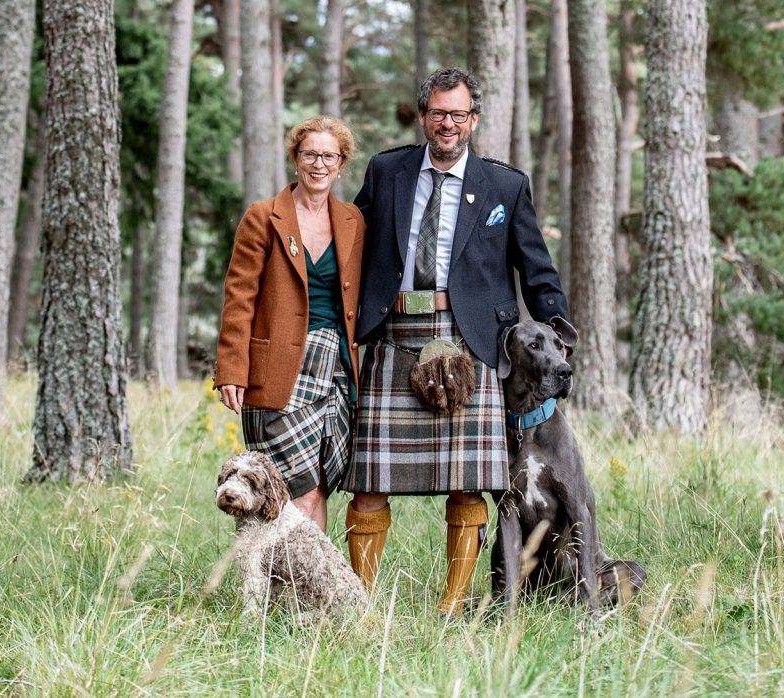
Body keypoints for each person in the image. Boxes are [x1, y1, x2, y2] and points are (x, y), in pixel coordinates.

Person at [342, 68, 570, 615]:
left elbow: (535, 270)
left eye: (459, 114)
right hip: (395, 334)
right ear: (423, 116)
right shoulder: (386, 171)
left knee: (468, 485)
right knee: (369, 483)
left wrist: (559, 338)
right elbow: (348, 239)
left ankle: (452, 604)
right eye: (439, 113)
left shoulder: (504, 186)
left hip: (471, 340)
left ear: (474, 119)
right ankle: (361, 603)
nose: (449, 124)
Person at [214, 116, 364, 532]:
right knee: (284, 486)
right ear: (296, 159)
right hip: (277, 370)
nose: (319, 164)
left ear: (341, 164)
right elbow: (239, 297)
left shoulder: (352, 221)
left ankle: (308, 586)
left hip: (333, 367)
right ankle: (273, 583)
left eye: (328, 156)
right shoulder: (263, 216)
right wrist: (231, 367)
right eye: (309, 154)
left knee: (317, 485)